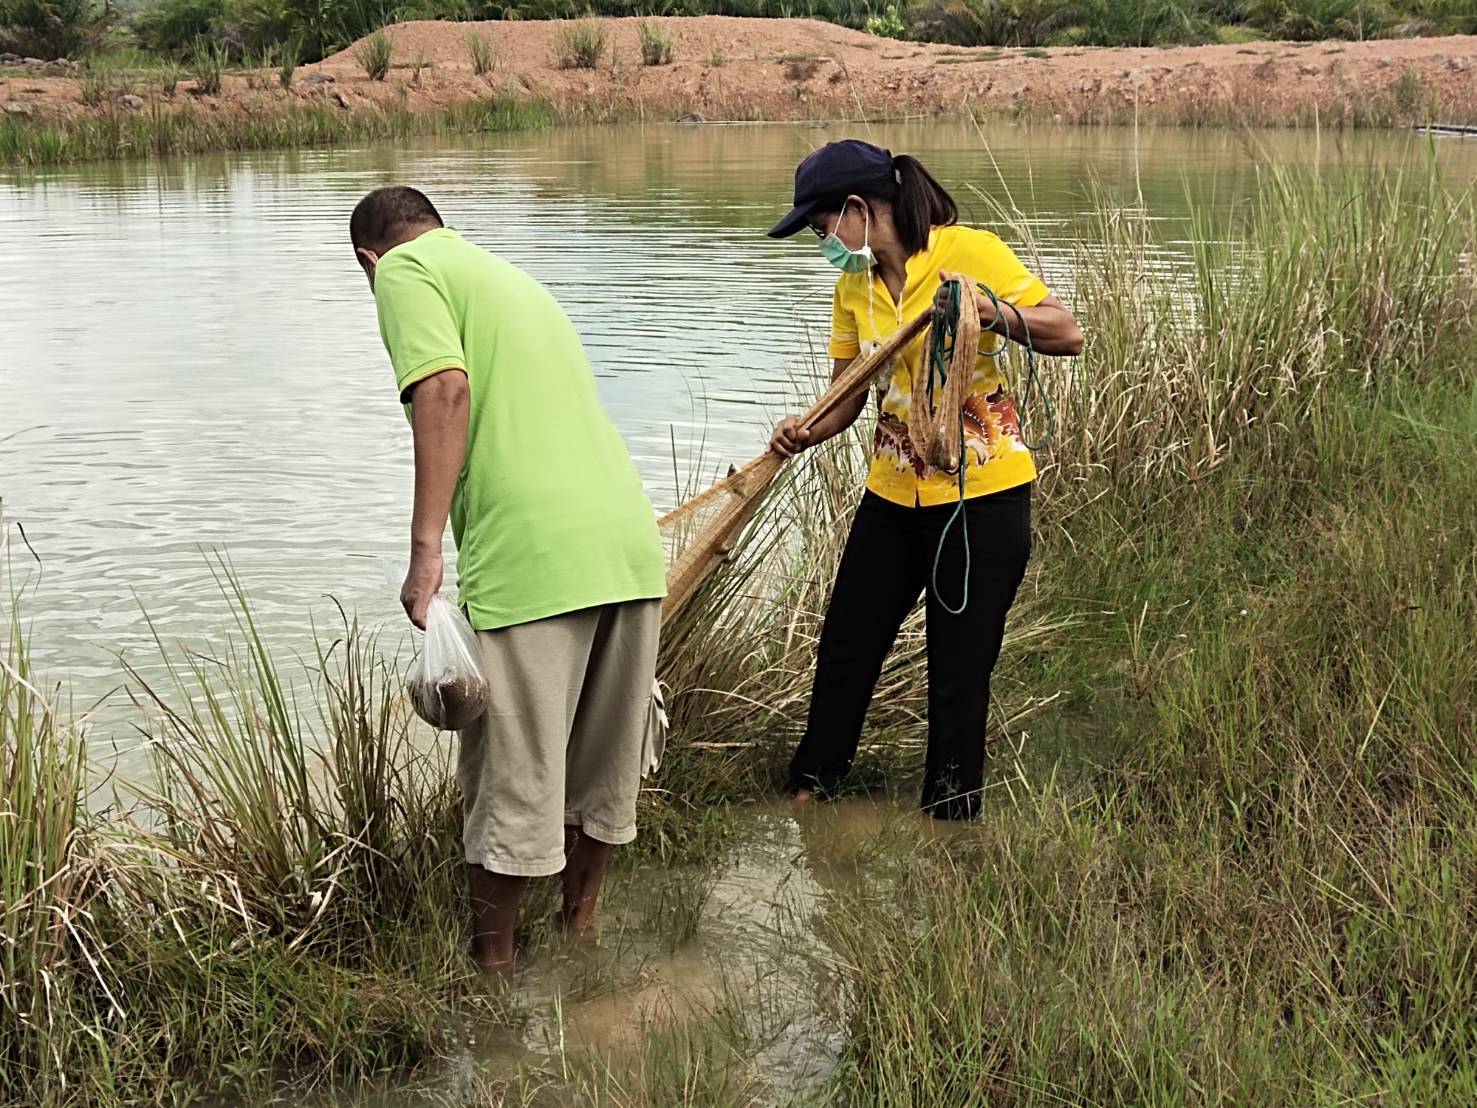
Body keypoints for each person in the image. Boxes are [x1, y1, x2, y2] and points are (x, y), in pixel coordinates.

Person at [349, 186, 667, 972]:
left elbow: (444, 388)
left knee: (513, 777)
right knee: (601, 768)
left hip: (534, 556)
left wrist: (426, 551)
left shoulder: (401, 271)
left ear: (366, 259)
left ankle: (489, 973)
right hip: (625, 544)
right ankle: (579, 945)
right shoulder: (509, 278)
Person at [766, 140, 1083, 821]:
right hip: (890, 496)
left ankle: (949, 821)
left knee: (958, 670)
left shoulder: (969, 251)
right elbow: (846, 397)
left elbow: (1067, 332)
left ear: (856, 208)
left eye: (822, 229)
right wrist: (803, 430)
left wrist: (987, 311)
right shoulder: (852, 285)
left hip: (981, 497)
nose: (823, 243)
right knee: (847, 645)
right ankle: (809, 792)